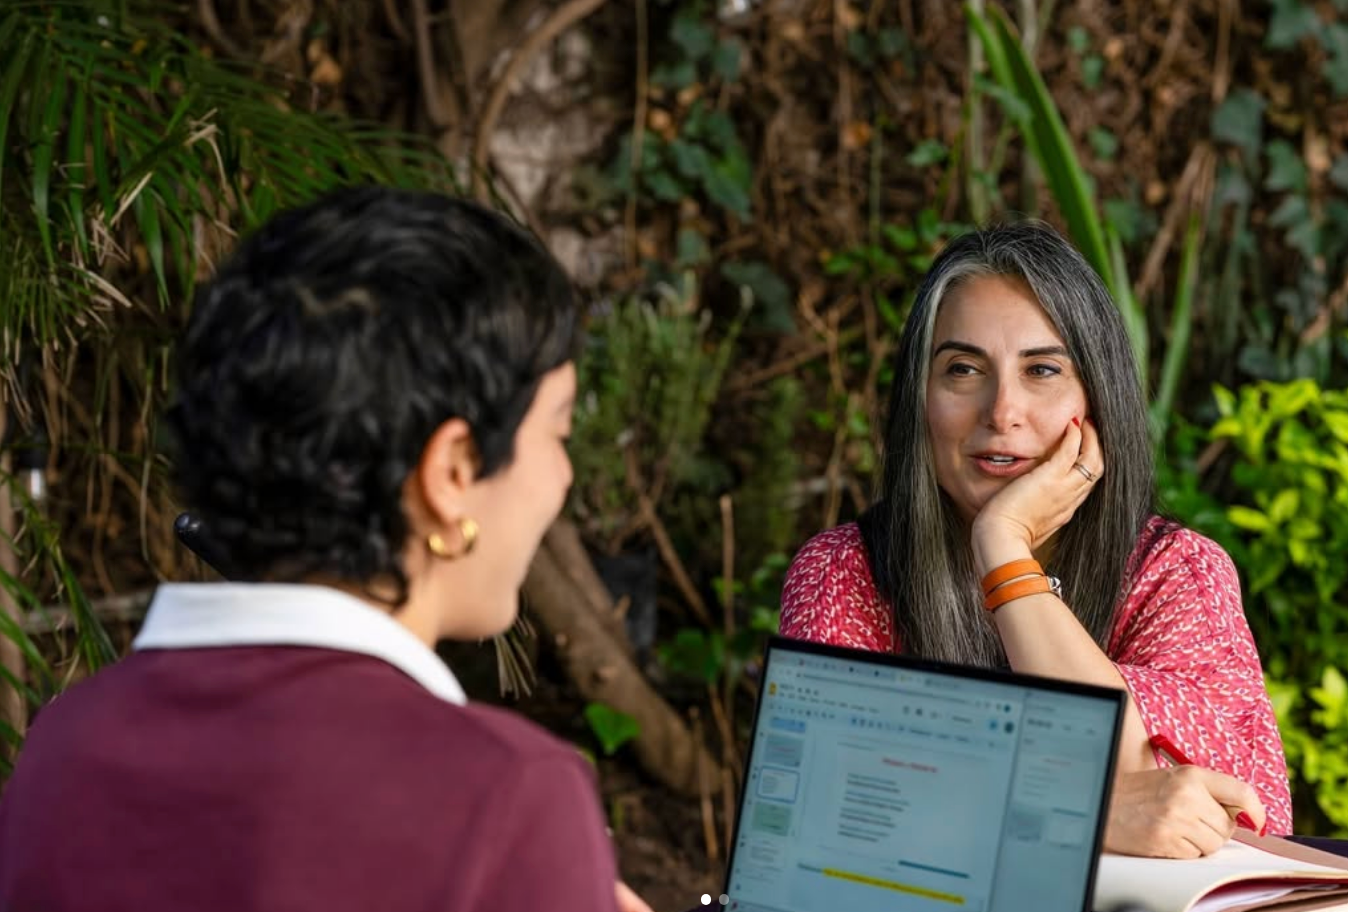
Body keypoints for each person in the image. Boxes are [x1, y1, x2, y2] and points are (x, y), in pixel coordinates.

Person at [0, 187, 653, 912]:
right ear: (452, 472)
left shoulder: (66, 744)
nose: (562, 478)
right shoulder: (505, 795)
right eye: (557, 434)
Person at [780, 221, 1291, 859]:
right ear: (921, 398)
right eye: (962, 369)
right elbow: (814, 813)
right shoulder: (844, 571)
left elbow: (1221, 816)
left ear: (1098, 398)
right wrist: (1077, 814)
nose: (1002, 411)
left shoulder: (1176, 572)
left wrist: (1003, 548)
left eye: (1043, 369)